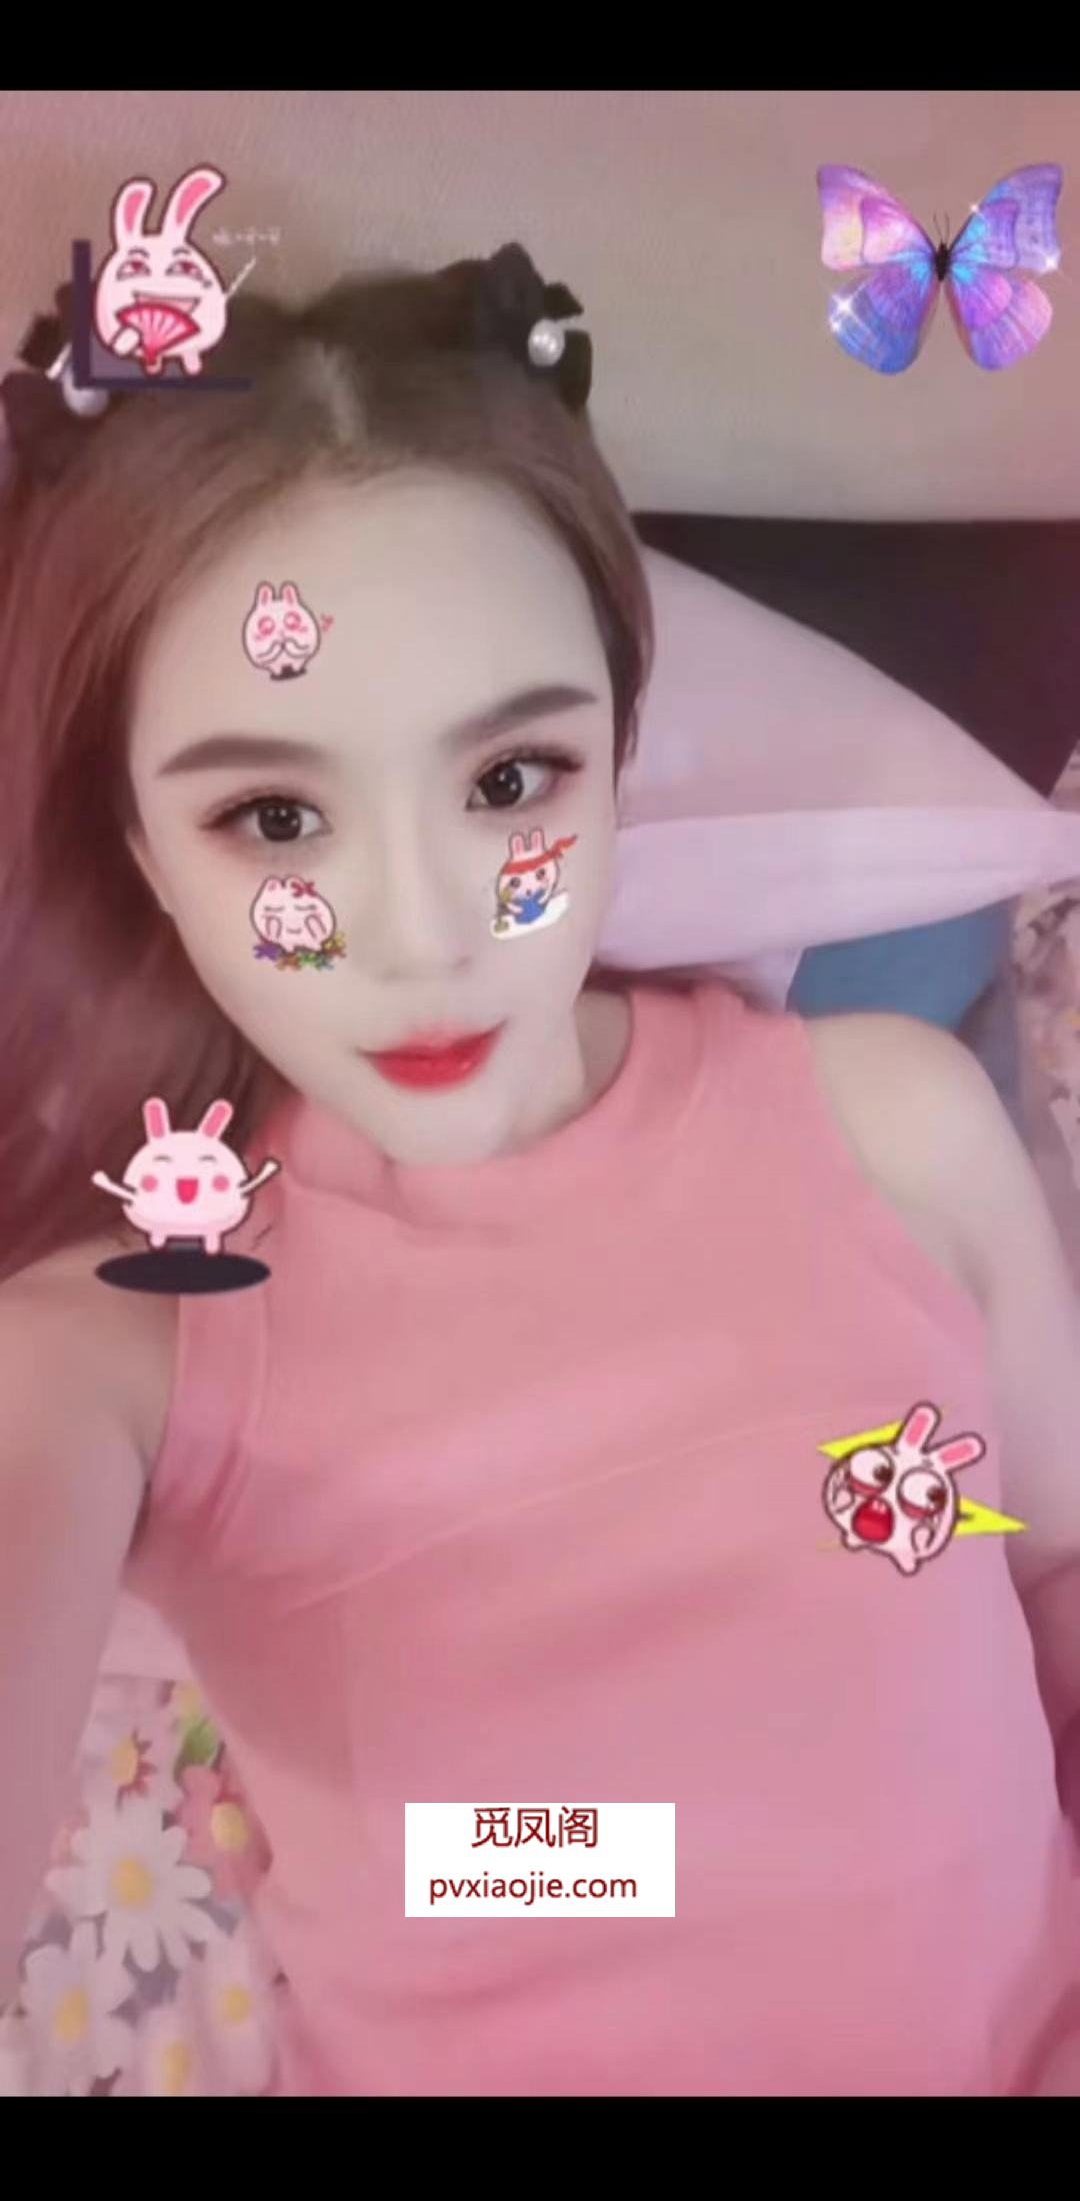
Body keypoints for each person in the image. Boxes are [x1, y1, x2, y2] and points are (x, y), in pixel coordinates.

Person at [1, 242, 1079, 2097]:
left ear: (619, 752)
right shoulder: (124, 1351)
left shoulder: (893, 1125)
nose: (424, 935)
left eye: (510, 784)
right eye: (275, 815)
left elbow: (1051, 1563)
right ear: (144, 849)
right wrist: (592, 1853)